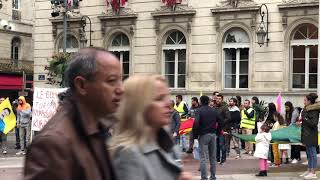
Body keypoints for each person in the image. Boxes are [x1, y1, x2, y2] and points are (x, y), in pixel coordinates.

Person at [24, 48, 123, 180]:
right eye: (111, 81)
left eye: (120, 79)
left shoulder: (97, 128)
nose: (121, 89)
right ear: (81, 85)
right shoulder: (53, 143)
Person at [111, 75, 192, 180]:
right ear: (139, 105)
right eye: (159, 98)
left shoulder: (166, 144)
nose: (168, 104)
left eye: (167, 97)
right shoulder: (128, 154)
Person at [192, 95, 221, 180]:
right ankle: (213, 176)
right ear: (208, 102)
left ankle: (204, 177)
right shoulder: (214, 110)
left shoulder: (199, 111)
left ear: (200, 102)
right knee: (213, 157)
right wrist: (218, 132)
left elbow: (196, 123)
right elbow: (220, 121)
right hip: (213, 134)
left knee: (203, 157)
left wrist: (195, 136)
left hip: (203, 135)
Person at [299, 93, 319, 179]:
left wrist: (305, 118)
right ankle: (309, 170)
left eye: (305, 100)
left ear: (310, 101)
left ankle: (313, 172)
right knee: (308, 154)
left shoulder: (314, 110)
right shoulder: (306, 109)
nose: (303, 102)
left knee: (312, 154)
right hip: (306, 135)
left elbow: (313, 123)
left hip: (311, 135)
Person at [214, 94, 231, 164]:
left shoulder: (224, 108)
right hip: (215, 129)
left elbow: (228, 118)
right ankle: (217, 159)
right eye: (217, 99)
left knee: (222, 144)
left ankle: (223, 159)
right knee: (216, 145)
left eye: (219, 99)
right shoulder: (214, 107)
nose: (217, 100)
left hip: (222, 129)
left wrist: (221, 124)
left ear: (222, 99)